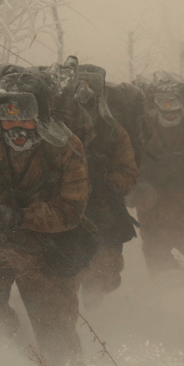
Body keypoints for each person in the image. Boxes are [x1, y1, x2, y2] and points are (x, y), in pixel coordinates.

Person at [0, 71, 91, 366]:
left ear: (40, 117)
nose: (16, 128)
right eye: (8, 120)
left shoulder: (65, 146)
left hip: (47, 249)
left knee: (57, 330)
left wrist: (19, 216)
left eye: (25, 120)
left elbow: (71, 208)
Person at [56, 64, 139, 309]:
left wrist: (107, 185)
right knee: (63, 273)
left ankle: (98, 324)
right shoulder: (57, 127)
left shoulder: (113, 130)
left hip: (103, 212)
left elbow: (128, 172)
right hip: (64, 208)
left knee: (101, 274)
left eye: (91, 89)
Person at [134, 72, 184, 275]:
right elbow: (131, 154)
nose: (168, 108)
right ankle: (157, 275)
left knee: (171, 226)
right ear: (155, 102)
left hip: (178, 187)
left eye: (173, 101)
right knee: (149, 233)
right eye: (163, 101)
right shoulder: (144, 124)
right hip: (147, 188)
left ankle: (175, 277)